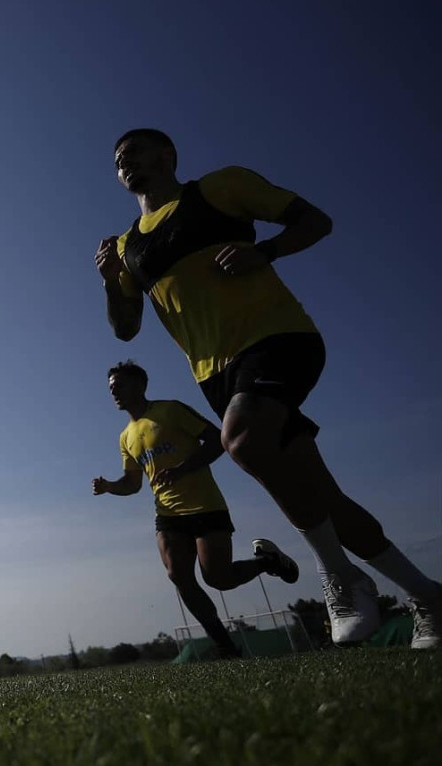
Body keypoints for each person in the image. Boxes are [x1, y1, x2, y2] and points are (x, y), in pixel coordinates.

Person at [96, 128, 439, 648]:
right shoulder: (126, 245)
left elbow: (314, 221)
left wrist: (268, 251)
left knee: (243, 440)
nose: (126, 162)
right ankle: (426, 595)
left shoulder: (220, 187)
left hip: (277, 337)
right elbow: (125, 328)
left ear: (167, 154)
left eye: (135, 151)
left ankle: (341, 579)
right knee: (321, 494)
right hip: (215, 376)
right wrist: (108, 280)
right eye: (119, 160)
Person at [92, 360, 300, 658]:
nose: (114, 392)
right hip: (167, 515)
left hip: (205, 506)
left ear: (140, 385)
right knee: (178, 575)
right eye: (111, 387)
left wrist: (181, 469)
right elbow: (133, 483)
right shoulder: (125, 437)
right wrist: (110, 486)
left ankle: (267, 562)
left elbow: (218, 440)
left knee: (218, 578)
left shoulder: (170, 411)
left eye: (119, 385)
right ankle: (225, 646)